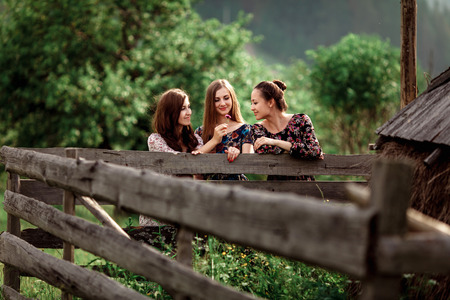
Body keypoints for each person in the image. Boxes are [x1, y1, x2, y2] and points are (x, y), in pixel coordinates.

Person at [139, 88, 225, 226]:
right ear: (170, 112)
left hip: (185, 208)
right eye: (183, 108)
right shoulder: (155, 139)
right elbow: (179, 160)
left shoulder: (195, 139)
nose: (189, 112)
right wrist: (213, 141)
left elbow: (199, 170)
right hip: (159, 210)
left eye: (189, 107)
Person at [250, 79, 323, 181]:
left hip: (305, 187)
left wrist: (275, 142)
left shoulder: (301, 120)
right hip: (275, 190)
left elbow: (315, 151)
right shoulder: (258, 129)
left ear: (271, 102)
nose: (251, 108)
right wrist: (300, 151)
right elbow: (263, 151)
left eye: (255, 103)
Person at [194, 79, 254, 180]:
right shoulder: (200, 132)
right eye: (216, 100)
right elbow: (193, 163)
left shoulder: (245, 129)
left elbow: (250, 162)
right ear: (210, 103)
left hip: (236, 189)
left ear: (232, 99)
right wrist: (214, 140)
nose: (222, 103)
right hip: (207, 190)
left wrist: (238, 153)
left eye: (226, 98)